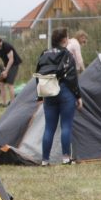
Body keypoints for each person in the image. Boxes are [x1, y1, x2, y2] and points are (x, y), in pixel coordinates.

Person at [35, 28, 82, 165]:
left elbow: (38, 75)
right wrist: (78, 96)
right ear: (64, 40)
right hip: (65, 91)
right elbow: (72, 78)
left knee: (49, 127)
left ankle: (44, 160)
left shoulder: (44, 54)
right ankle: (66, 158)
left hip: (48, 92)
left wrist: (39, 96)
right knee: (66, 125)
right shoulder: (66, 54)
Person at [0, 36, 22, 106]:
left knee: (10, 84)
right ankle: (4, 103)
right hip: (6, 66)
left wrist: (6, 71)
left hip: (13, 65)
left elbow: (11, 60)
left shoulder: (7, 46)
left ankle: (12, 104)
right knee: (1, 84)